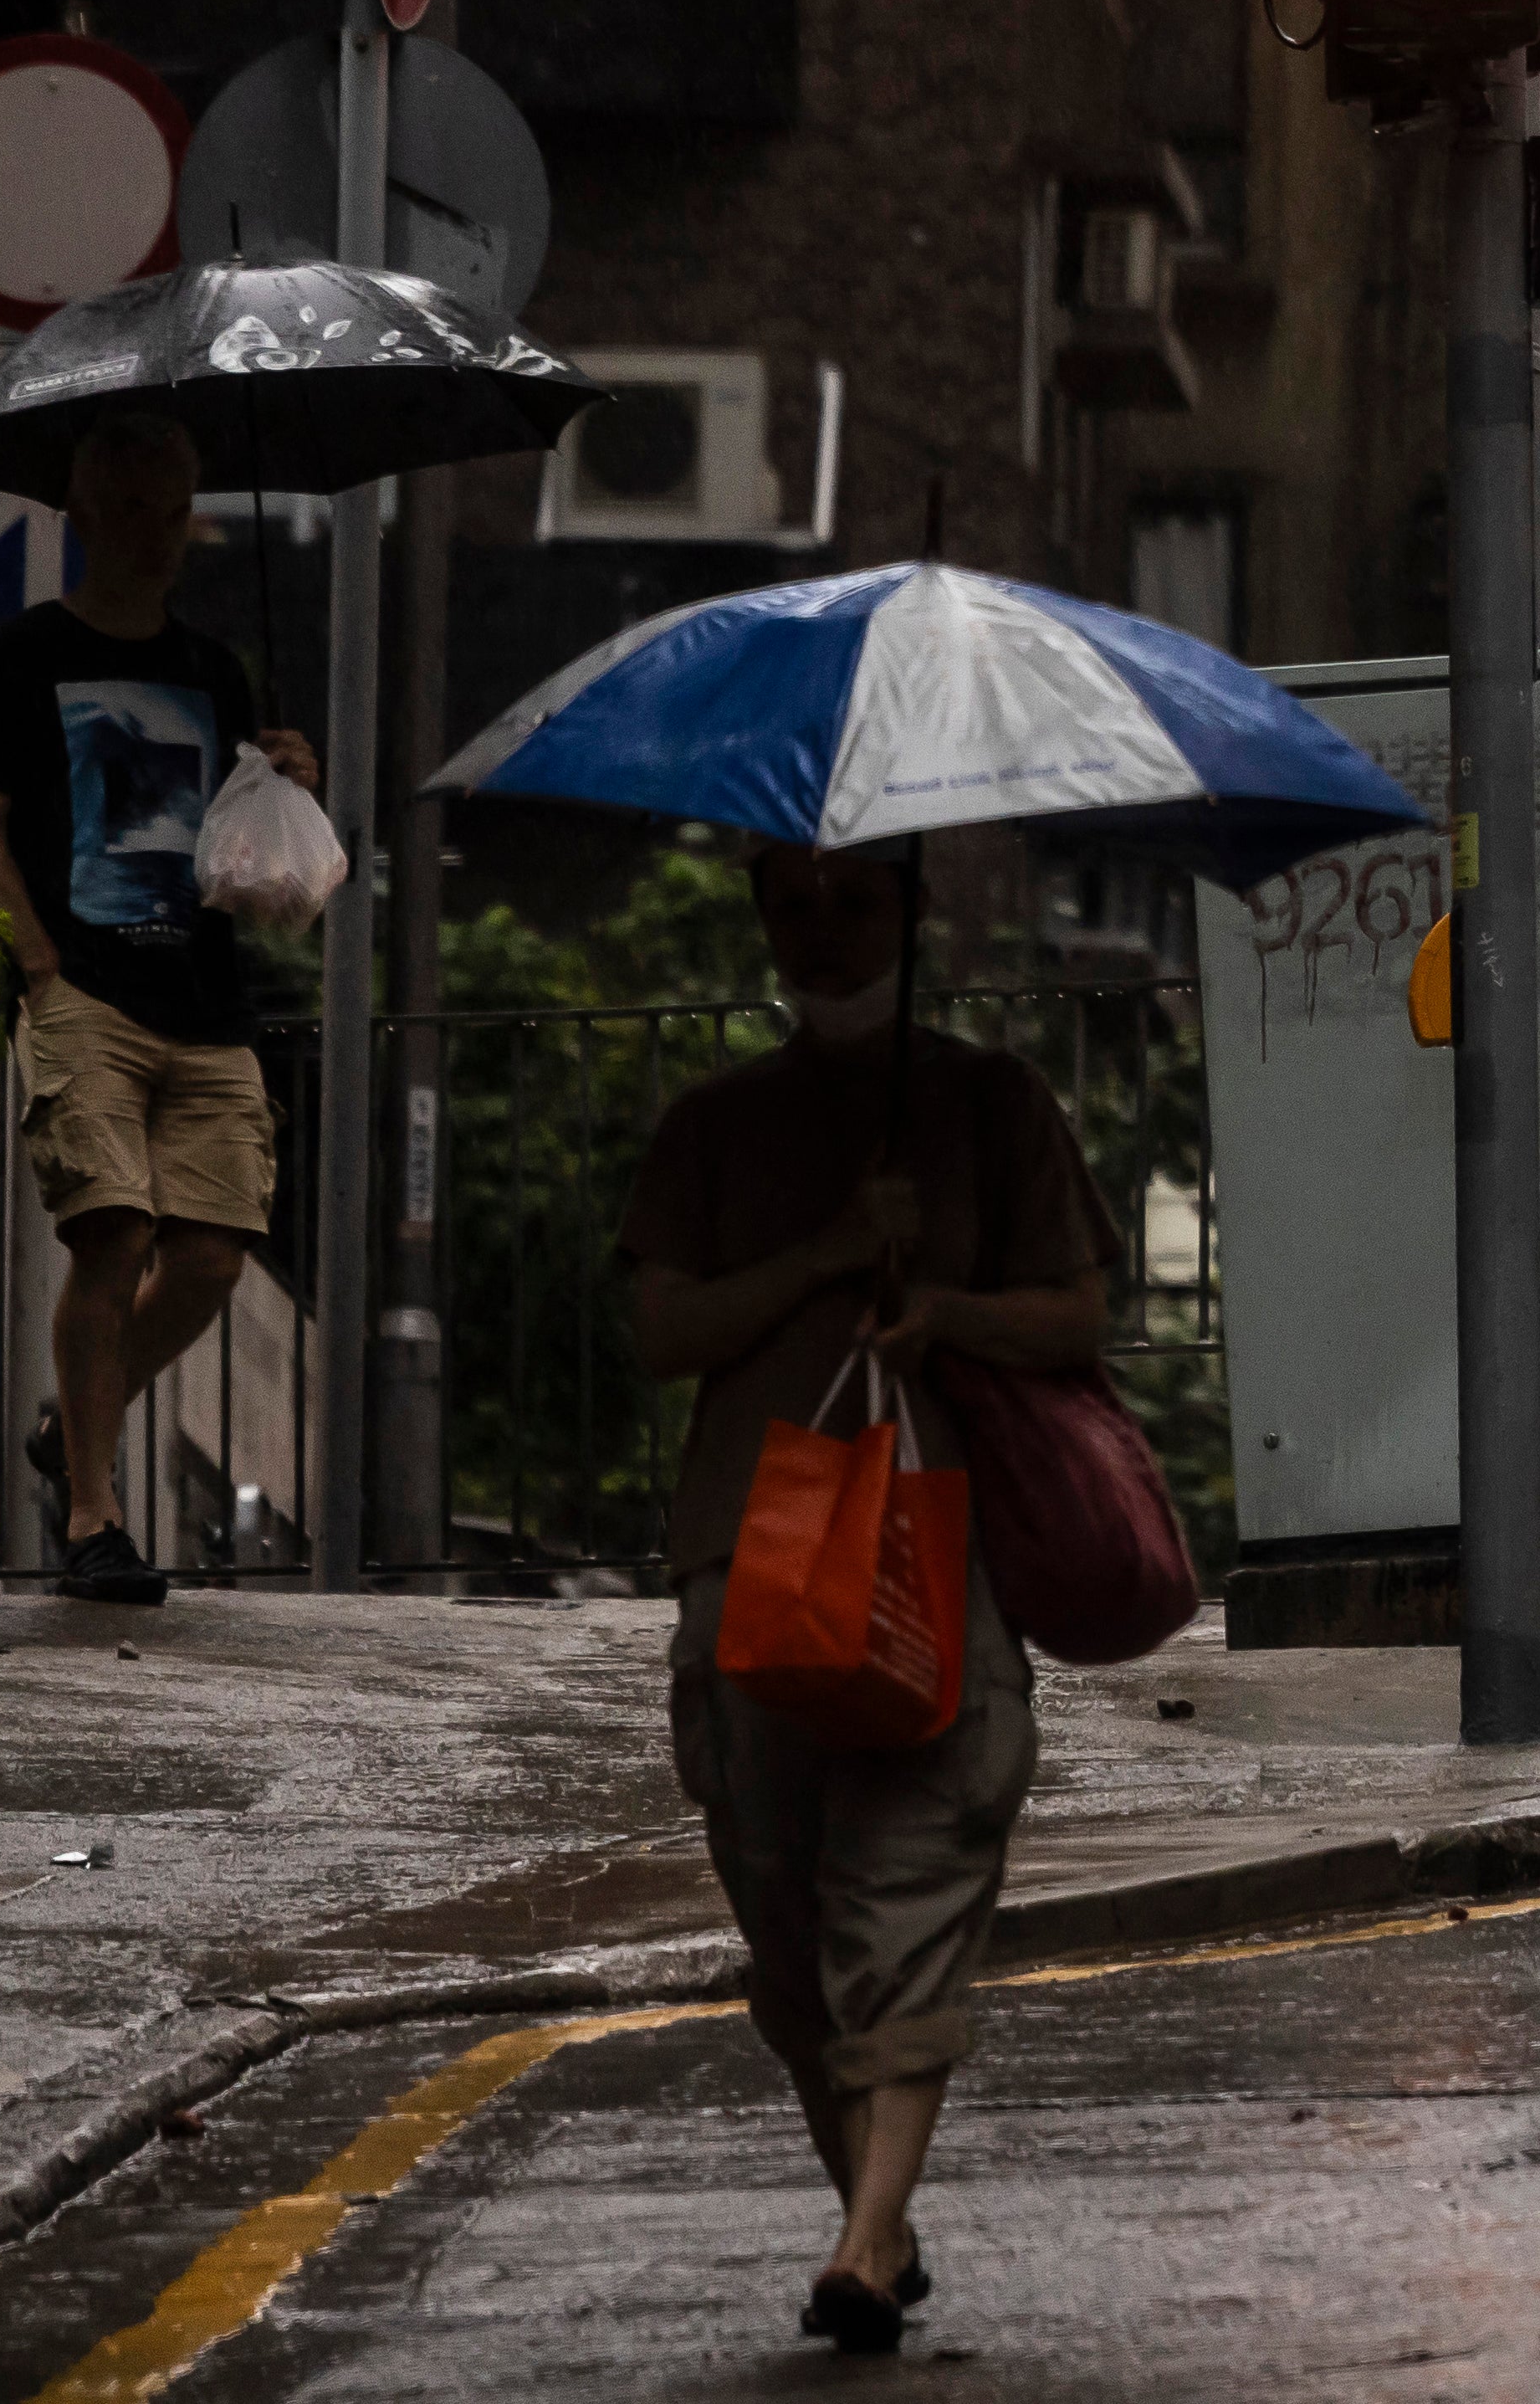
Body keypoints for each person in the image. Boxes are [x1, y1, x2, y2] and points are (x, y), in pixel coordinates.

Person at [622, 842, 1115, 2355]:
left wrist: (943, 1307)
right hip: (748, 1554)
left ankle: (860, 2232)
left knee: (909, 1875)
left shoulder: (993, 1103)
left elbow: (1080, 1312)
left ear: (912, 908)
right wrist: (827, 1252)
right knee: (784, 1912)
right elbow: (658, 1321)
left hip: (935, 1541)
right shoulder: (714, 1124)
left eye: (854, 901)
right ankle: (877, 2222)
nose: (822, 933)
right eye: (793, 905)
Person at [0, 410, 318, 1606]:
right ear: (85, 516)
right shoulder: (19, 657)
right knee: (110, 1230)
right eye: (135, 509)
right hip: (86, 990)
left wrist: (283, 783)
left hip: (207, 1001)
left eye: (175, 509)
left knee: (210, 1254)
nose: (159, 534)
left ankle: (75, 1426)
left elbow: (247, 871)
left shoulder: (213, 671)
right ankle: (96, 1515)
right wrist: (42, 966)